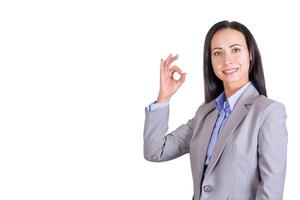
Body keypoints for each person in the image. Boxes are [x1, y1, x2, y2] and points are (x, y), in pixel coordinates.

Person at [143, 20, 288, 200]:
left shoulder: (268, 112)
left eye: (235, 50)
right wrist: (163, 97)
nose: (227, 60)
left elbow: (271, 191)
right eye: (217, 53)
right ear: (210, 60)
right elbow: (155, 151)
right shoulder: (205, 114)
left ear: (250, 55)